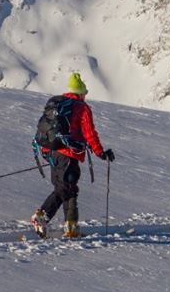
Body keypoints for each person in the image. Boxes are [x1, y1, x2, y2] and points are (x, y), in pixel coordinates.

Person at [30, 72, 114, 239]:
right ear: (80, 92)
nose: (85, 96)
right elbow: (90, 133)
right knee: (65, 188)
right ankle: (42, 217)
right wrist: (100, 153)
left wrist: (48, 153)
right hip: (69, 154)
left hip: (52, 152)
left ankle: (70, 227)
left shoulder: (57, 105)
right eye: (84, 93)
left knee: (67, 189)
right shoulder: (81, 108)